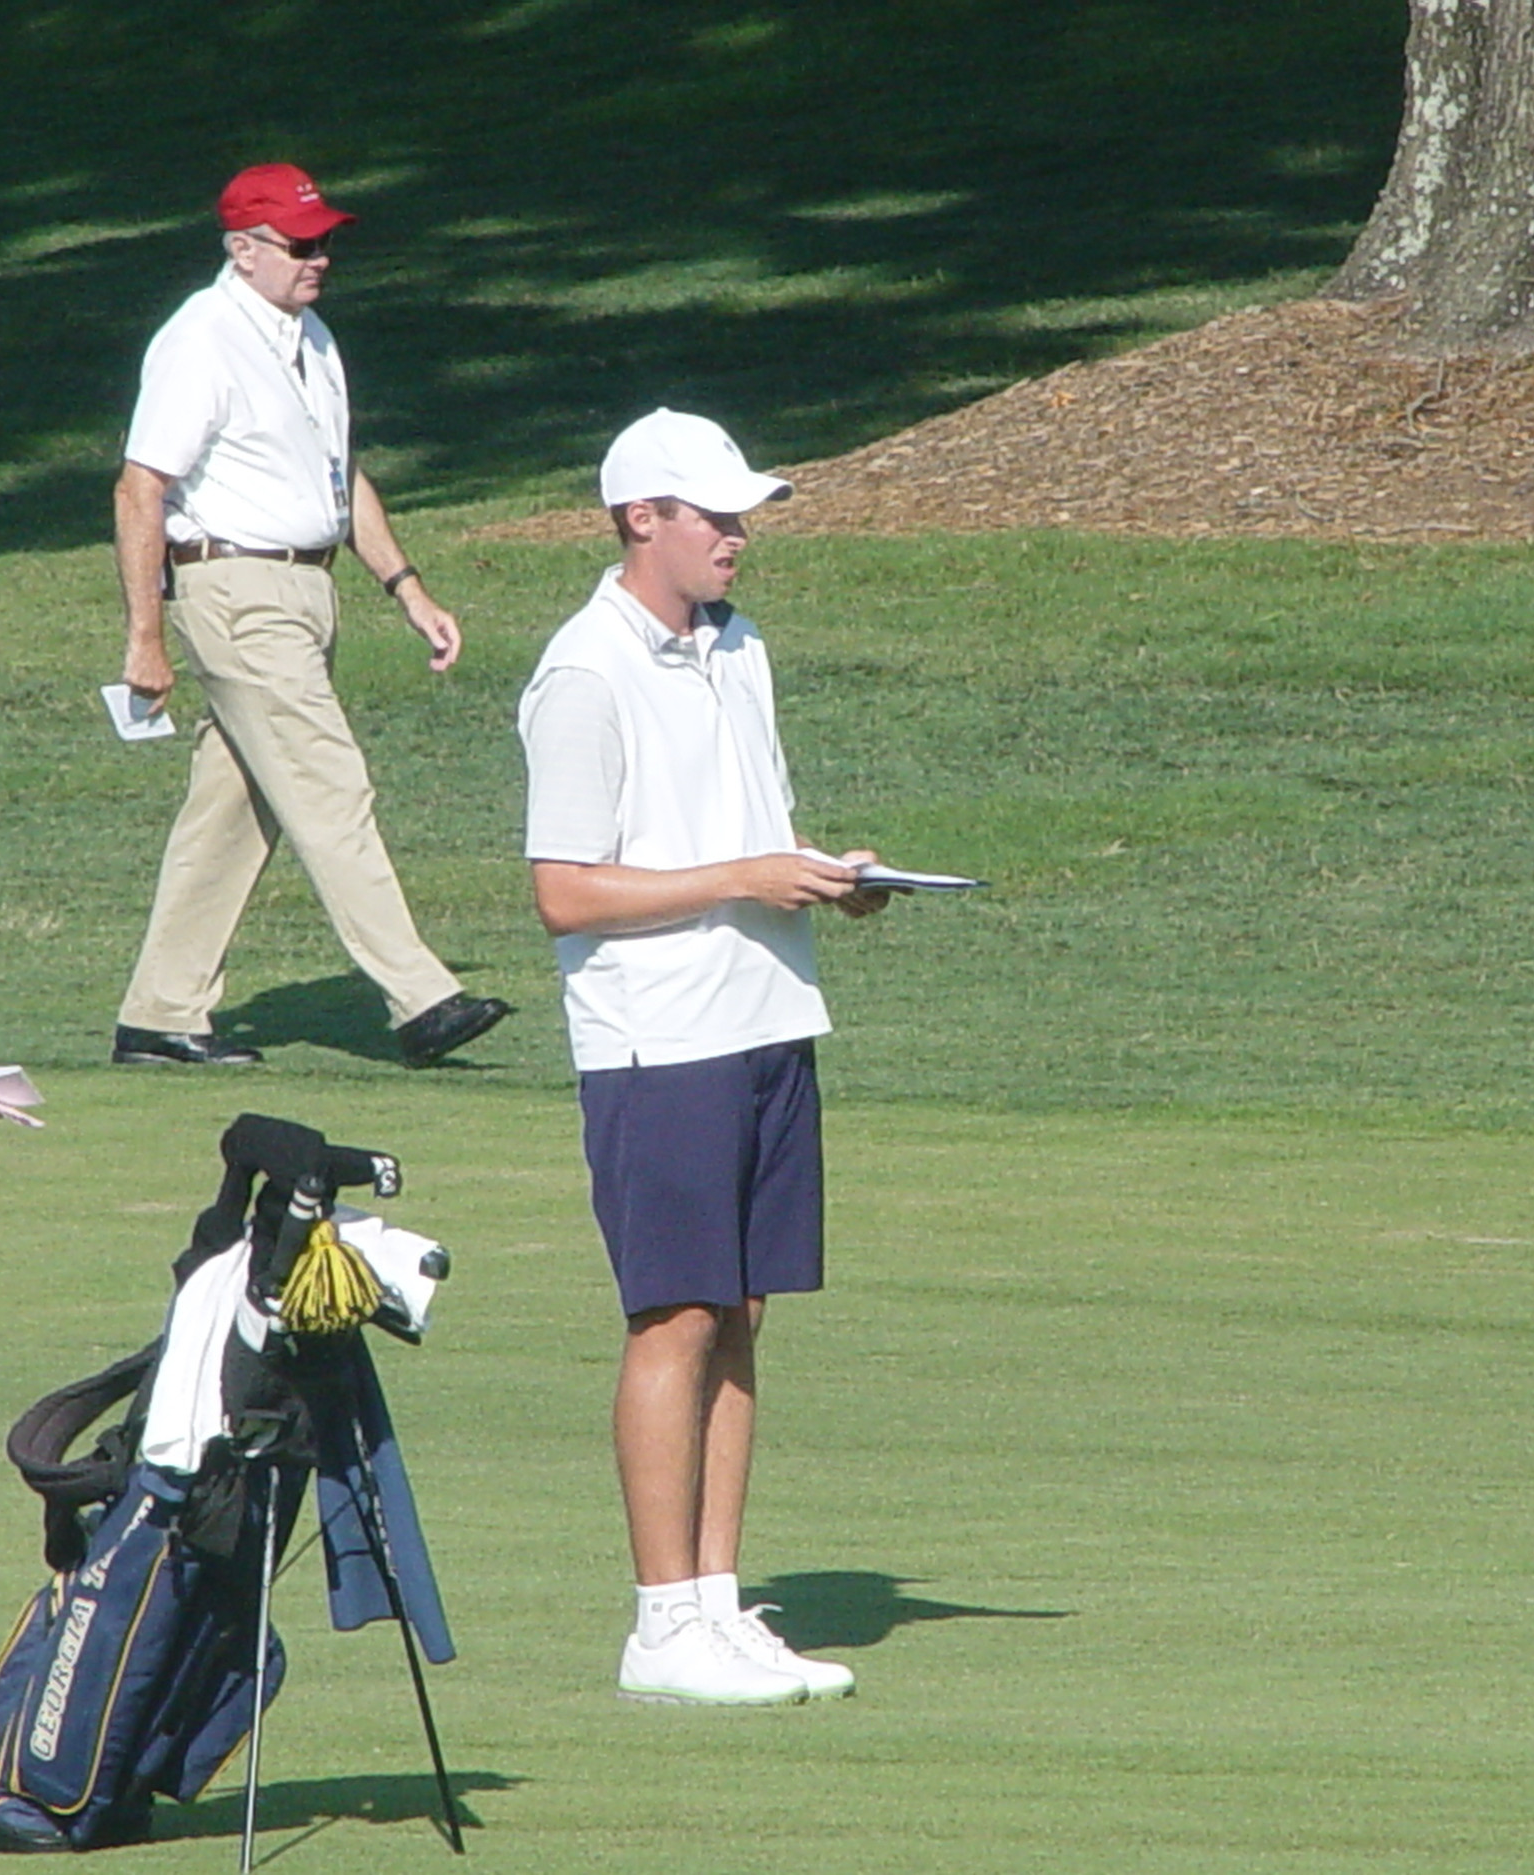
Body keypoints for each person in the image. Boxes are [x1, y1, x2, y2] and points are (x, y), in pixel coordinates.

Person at [517, 410, 890, 1707]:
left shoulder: (744, 651)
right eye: (713, 514)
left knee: (742, 1313)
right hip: (653, 1037)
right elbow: (563, 890)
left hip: (764, 1017)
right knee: (673, 1314)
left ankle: (719, 1604)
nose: (739, 535)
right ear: (640, 519)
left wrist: (820, 882)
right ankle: (659, 1618)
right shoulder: (583, 673)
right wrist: (747, 874)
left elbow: (747, 828)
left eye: (743, 513)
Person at [108, 162, 509, 1070]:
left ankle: (159, 1012)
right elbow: (140, 489)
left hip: (306, 589)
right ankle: (420, 995)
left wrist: (407, 588)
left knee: (238, 808)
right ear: (242, 251)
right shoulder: (202, 339)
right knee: (329, 783)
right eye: (300, 243)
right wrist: (144, 637)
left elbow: (340, 476)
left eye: (325, 239)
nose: (319, 257)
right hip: (233, 589)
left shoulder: (311, 335)